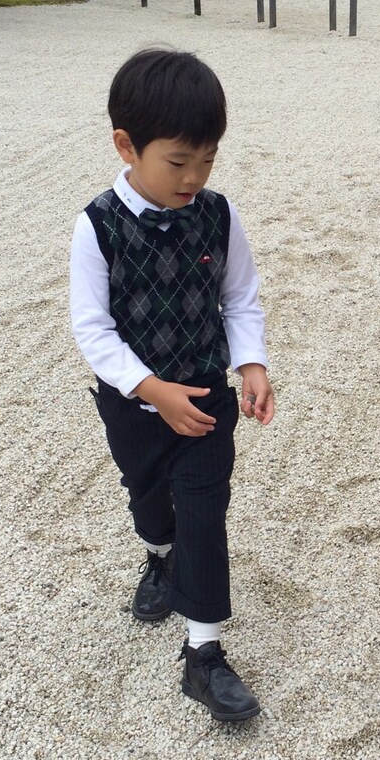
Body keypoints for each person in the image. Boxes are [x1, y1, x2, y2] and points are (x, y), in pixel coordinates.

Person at [70, 49, 274, 721]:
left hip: (207, 400)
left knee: (205, 513)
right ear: (126, 146)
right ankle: (159, 556)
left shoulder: (219, 215)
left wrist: (251, 364)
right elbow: (93, 329)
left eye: (207, 160)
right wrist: (150, 389)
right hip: (135, 406)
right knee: (149, 499)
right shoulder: (97, 226)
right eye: (179, 161)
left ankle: (203, 653)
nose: (194, 178)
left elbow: (239, 298)